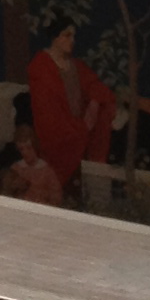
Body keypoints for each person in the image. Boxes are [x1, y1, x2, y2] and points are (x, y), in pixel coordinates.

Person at [26, 21, 117, 193]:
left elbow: (96, 88)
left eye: (73, 36)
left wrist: (95, 103)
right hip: (56, 131)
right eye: (67, 35)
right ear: (55, 37)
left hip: (77, 126)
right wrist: (81, 127)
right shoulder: (41, 66)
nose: (72, 40)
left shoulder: (76, 66)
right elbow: (46, 112)